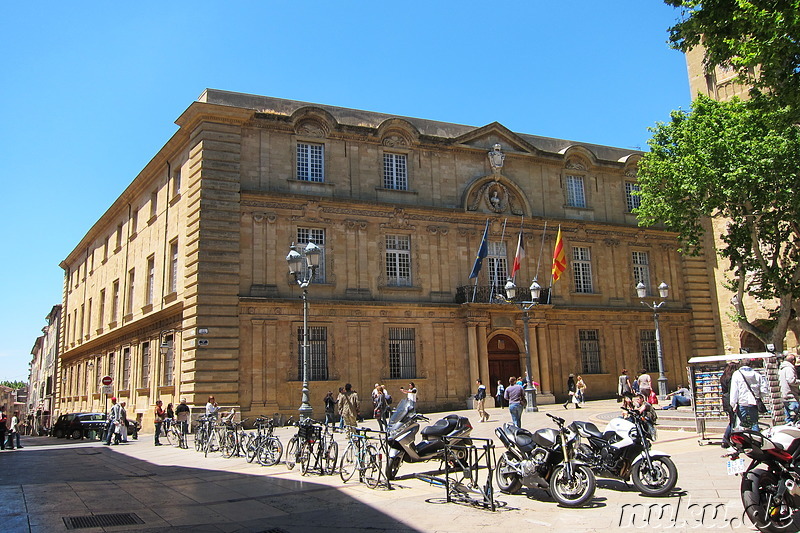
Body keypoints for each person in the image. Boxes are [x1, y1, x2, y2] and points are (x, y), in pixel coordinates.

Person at [731, 359, 770, 431]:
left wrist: (733, 404)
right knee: (754, 423)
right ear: (750, 364)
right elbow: (764, 389)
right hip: (754, 402)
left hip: (742, 402)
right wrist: (759, 396)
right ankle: (756, 439)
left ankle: (743, 440)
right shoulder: (757, 374)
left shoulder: (736, 374)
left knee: (741, 424)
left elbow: (734, 390)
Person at [720, 361, 739, 448]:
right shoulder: (732, 378)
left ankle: (726, 440)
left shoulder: (723, 377)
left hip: (725, 399)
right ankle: (728, 439)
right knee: (733, 421)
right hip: (731, 399)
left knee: (732, 421)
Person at [779, 354, 799, 423]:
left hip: (785, 396)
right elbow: (791, 381)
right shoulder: (789, 369)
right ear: (793, 361)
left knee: (789, 418)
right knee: (794, 417)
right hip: (791, 396)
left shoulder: (782, 368)